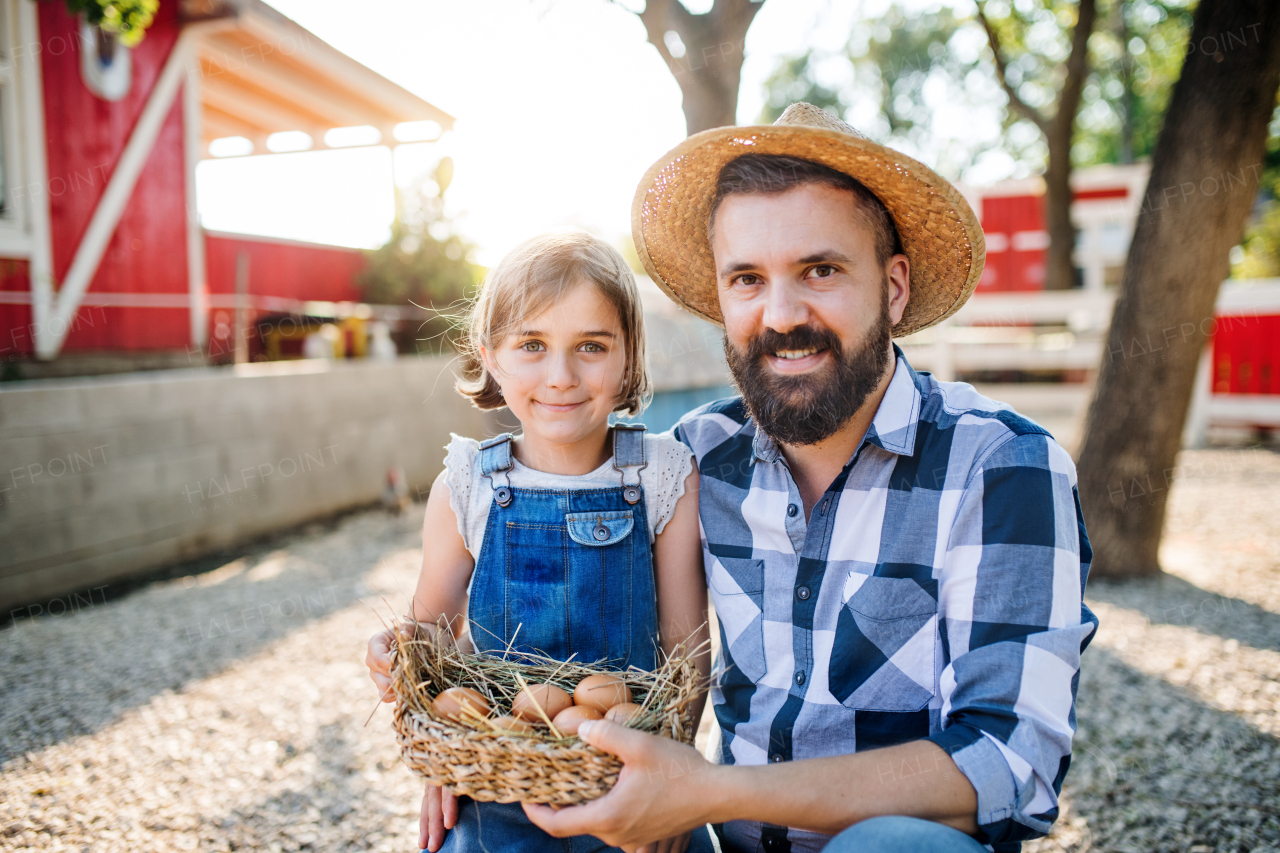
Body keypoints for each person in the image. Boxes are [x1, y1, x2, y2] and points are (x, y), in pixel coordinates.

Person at [521, 104, 1098, 853]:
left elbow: (1010, 762)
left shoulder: (1001, 467)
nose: (782, 314)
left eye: (819, 270)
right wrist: (476, 727)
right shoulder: (692, 460)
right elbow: (549, 581)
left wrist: (707, 790)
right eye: (748, 279)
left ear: (893, 288)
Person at [363, 230, 711, 853]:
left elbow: (686, 657)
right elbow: (431, 632)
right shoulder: (466, 485)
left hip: (630, 781)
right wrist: (398, 655)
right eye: (531, 345)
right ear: (489, 355)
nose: (561, 376)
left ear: (630, 356)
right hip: (496, 789)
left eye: (591, 346)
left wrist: (674, 776)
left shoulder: (662, 477)